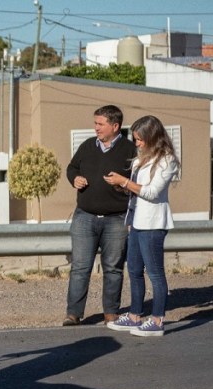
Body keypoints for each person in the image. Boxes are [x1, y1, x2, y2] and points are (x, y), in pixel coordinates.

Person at [103, 115, 179, 337]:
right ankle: (135, 316)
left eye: (140, 139)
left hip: (153, 224)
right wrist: (122, 186)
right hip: (136, 221)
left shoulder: (167, 160)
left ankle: (157, 320)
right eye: (135, 139)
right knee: (134, 270)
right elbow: (137, 192)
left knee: (155, 273)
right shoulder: (140, 159)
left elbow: (152, 192)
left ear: (152, 137)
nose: (136, 143)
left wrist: (125, 182)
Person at [64, 105, 136, 326]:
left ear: (115, 126)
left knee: (113, 268)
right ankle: (73, 313)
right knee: (80, 267)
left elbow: (137, 182)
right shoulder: (87, 146)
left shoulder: (130, 150)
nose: (95, 128)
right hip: (85, 216)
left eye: (100, 124)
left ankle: (111, 313)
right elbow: (71, 168)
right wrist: (74, 178)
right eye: (95, 123)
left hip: (116, 219)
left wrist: (122, 185)